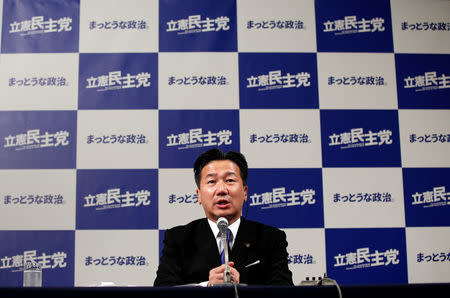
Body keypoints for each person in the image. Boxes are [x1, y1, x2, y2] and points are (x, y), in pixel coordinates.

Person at [154, 148, 293, 286]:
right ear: (199, 195)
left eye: (230, 180)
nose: (221, 190)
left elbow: (284, 291)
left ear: (245, 192)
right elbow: (163, 290)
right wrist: (207, 285)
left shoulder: (271, 238)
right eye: (212, 182)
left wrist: (242, 287)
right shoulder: (179, 239)